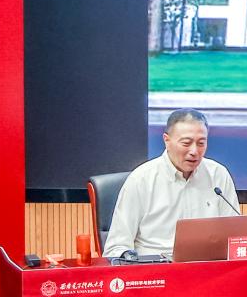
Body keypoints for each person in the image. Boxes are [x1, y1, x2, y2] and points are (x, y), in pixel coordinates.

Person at [103, 109, 240, 261]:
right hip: (155, 268)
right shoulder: (141, 180)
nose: (194, 151)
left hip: (206, 267)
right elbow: (116, 247)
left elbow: (235, 240)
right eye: (186, 143)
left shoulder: (218, 175)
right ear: (166, 141)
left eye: (201, 143)